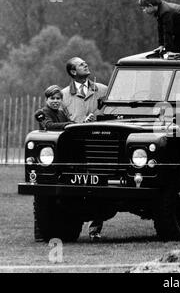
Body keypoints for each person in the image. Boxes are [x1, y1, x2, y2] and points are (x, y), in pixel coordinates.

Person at [62, 57, 108, 241]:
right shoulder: (64, 95)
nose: (86, 64)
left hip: (100, 146)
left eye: (85, 63)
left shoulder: (103, 90)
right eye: (81, 64)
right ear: (73, 72)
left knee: (100, 186)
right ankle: (72, 225)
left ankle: (95, 229)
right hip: (75, 148)